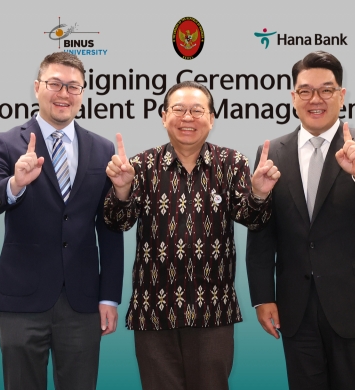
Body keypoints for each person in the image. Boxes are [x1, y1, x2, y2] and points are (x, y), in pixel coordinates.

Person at [246, 51, 355, 390]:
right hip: (295, 307)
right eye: (305, 91)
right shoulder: (271, 152)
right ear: (293, 97)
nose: (315, 99)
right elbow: (261, 232)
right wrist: (262, 296)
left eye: (326, 90)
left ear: (341, 95)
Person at [103, 81, 280, 390]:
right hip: (153, 311)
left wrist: (259, 195)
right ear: (163, 116)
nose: (188, 118)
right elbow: (118, 223)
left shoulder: (232, 163)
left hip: (213, 310)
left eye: (198, 110)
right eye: (179, 110)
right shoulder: (141, 166)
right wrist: (121, 190)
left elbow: (253, 220)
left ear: (211, 118)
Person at [0, 52, 123, 390]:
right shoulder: (6, 143)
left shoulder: (102, 149)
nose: (64, 94)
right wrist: (14, 184)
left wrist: (109, 296)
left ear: (82, 94)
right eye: (55, 84)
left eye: (73, 87)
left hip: (82, 303)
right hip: (21, 301)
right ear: (38, 87)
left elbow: (110, 229)